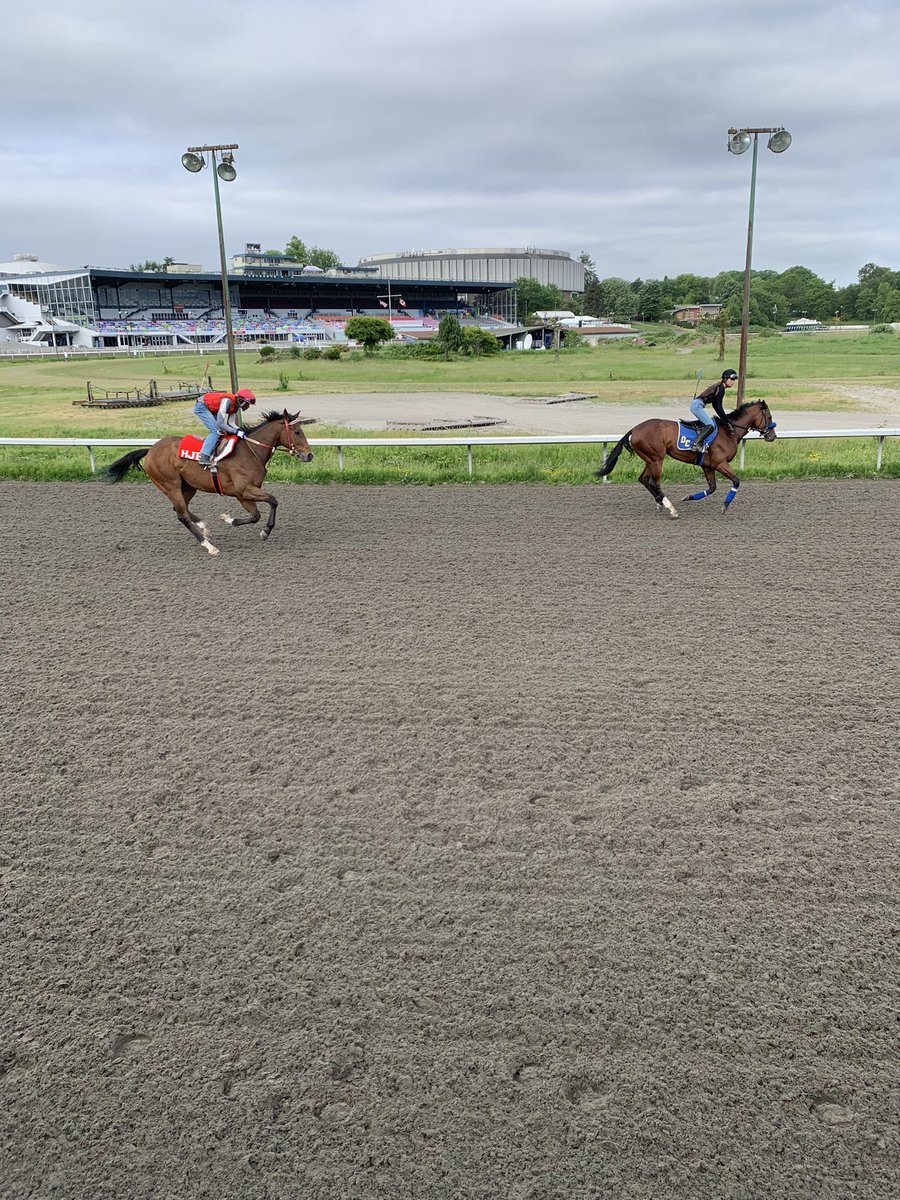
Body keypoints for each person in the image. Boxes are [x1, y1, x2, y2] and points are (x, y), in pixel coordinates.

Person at [193, 387, 256, 467]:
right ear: (241, 401)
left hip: (211, 409)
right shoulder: (227, 400)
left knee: (223, 431)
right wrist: (235, 432)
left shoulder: (235, 407)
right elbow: (220, 422)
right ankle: (203, 457)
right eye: (247, 404)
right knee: (216, 431)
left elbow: (230, 423)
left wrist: (240, 430)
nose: (248, 407)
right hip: (202, 406)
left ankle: (214, 449)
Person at [690, 369, 737, 455]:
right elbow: (718, 407)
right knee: (710, 425)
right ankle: (696, 444)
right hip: (697, 406)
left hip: (698, 405)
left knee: (711, 423)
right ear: (725, 378)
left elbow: (715, 406)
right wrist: (726, 420)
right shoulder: (720, 388)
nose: (733, 382)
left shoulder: (720, 387)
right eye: (731, 379)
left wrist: (724, 418)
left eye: (734, 380)